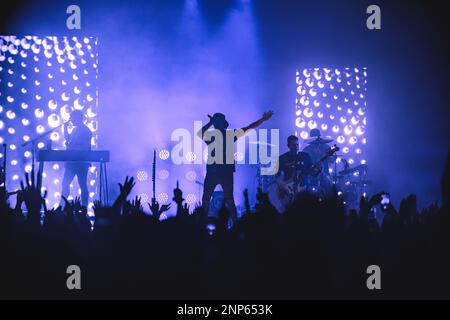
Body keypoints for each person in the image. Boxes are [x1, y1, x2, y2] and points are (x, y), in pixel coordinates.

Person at [197, 111, 273, 223]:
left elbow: (249, 128)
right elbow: (200, 133)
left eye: (218, 122)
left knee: (226, 199)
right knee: (210, 199)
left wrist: (262, 120)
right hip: (216, 172)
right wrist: (210, 123)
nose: (216, 125)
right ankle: (205, 223)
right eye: (215, 123)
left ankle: (234, 222)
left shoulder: (229, 135)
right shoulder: (215, 136)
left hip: (223, 172)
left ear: (222, 124)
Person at [61, 110, 92, 207]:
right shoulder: (76, 129)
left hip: (80, 161)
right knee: (66, 183)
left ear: (77, 118)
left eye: (72, 117)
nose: (71, 120)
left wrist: (69, 146)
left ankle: (84, 207)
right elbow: (68, 140)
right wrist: (65, 128)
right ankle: (63, 205)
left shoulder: (85, 130)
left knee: (81, 184)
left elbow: (75, 144)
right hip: (75, 161)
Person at [275, 135, 312, 206]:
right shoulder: (282, 158)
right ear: (288, 146)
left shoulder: (306, 156)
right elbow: (277, 177)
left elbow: (312, 172)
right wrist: (285, 187)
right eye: (294, 145)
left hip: (303, 188)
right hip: (288, 190)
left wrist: (319, 169)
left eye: (297, 145)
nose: (296, 147)